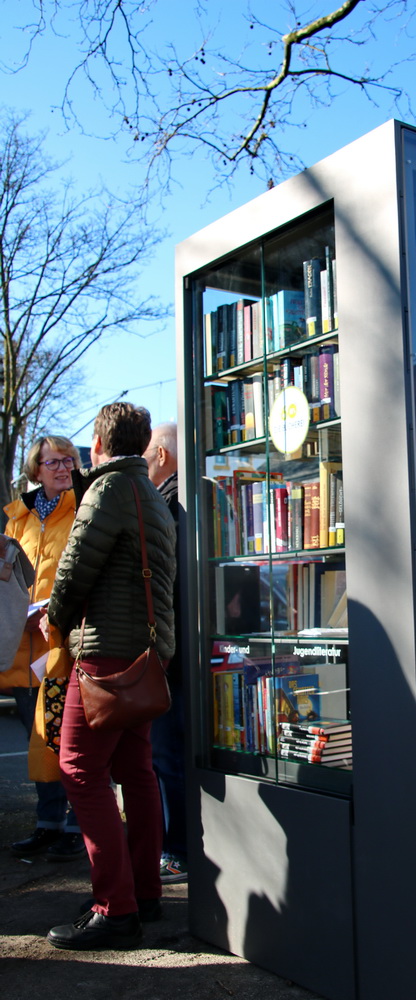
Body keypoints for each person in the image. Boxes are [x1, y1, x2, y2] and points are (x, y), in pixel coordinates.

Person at [45, 403, 176, 951]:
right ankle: (143, 892)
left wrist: (53, 619)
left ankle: (115, 908)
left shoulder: (107, 490)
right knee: (135, 769)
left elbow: (74, 571)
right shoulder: (148, 491)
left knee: (79, 770)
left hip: (103, 657)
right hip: (144, 657)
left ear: (98, 441)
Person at [2, 436, 85, 862]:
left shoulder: (82, 508)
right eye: (53, 461)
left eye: (68, 460)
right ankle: (47, 823)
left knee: (68, 736)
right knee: (38, 736)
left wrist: (52, 611)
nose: (62, 468)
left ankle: (76, 825)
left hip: (59, 643)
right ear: (37, 468)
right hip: (22, 645)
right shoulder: (17, 516)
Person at [143, 421, 188, 884]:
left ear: (160, 455)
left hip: (168, 647)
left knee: (165, 752)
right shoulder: (193, 496)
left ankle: (177, 850)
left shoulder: (166, 505)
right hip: (189, 641)